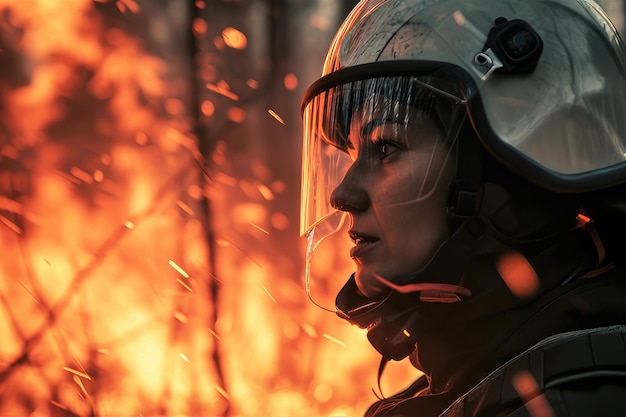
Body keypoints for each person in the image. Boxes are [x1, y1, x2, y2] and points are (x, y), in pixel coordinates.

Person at [298, 0, 626, 415]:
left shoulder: (576, 400)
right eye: (350, 154)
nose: (342, 194)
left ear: (505, 174)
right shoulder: (482, 379)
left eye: (386, 146)